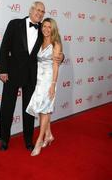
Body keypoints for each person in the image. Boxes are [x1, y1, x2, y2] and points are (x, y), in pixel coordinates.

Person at [0, 1, 63, 151]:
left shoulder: (43, 29)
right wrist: (3, 70)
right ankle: (4, 139)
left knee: (29, 110)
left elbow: (53, 44)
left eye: (42, 12)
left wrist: (62, 56)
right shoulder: (15, 24)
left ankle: (28, 140)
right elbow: (4, 47)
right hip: (12, 73)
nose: (39, 13)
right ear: (31, 9)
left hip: (32, 76)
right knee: (7, 107)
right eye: (37, 10)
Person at [26, 18, 63, 156]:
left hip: (48, 81)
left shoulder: (56, 44)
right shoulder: (40, 41)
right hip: (39, 80)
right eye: (44, 26)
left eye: (49, 27)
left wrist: (53, 85)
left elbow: (55, 66)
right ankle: (49, 135)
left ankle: (39, 141)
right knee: (42, 109)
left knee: (45, 110)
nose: (46, 29)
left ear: (53, 29)